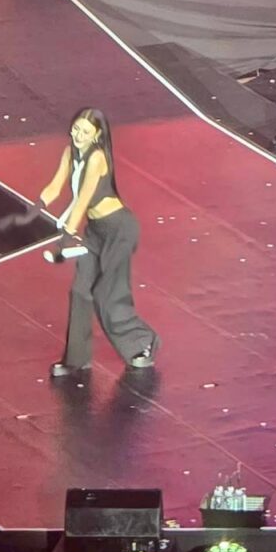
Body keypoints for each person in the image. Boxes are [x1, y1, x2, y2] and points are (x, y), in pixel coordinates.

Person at [40, 108, 159, 377]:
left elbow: (82, 200)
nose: (78, 135)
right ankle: (77, 359)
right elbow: (55, 186)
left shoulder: (96, 158)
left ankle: (143, 343)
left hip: (118, 229)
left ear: (96, 135)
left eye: (85, 132)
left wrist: (65, 239)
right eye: (76, 129)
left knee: (108, 293)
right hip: (95, 230)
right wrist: (35, 207)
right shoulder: (70, 152)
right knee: (80, 291)